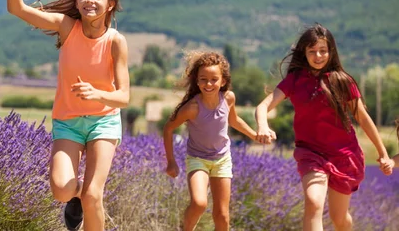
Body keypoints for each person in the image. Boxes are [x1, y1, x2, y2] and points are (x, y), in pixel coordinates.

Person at [2, 0, 130, 231]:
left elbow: (124, 97)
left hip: (103, 122)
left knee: (93, 196)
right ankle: (78, 195)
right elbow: (17, 9)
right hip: (68, 121)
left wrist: (97, 93)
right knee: (62, 190)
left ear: (110, 4)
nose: (89, 0)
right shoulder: (65, 27)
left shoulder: (116, 42)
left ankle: (87, 198)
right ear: (77, 1)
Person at [255, 23, 394, 231]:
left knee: (340, 219)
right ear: (304, 52)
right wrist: (263, 125)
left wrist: (383, 154)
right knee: (313, 202)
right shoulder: (294, 80)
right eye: (312, 51)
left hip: (344, 155)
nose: (318, 55)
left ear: (331, 52)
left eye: (323, 50)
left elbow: (363, 119)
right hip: (310, 153)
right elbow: (263, 106)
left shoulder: (342, 81)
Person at [163, 51, 260, 231]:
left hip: (222, 160)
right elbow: (168, 129)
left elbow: (233, 120)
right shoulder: (191, 108)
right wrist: (171, 162)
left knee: (222, 217)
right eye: (203, 79)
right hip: (198, 159)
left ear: (223, 81)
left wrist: (254, 135)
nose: (208, 84)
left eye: (214, 79)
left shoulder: (228, 98)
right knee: (199, 203)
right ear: (197, 81)